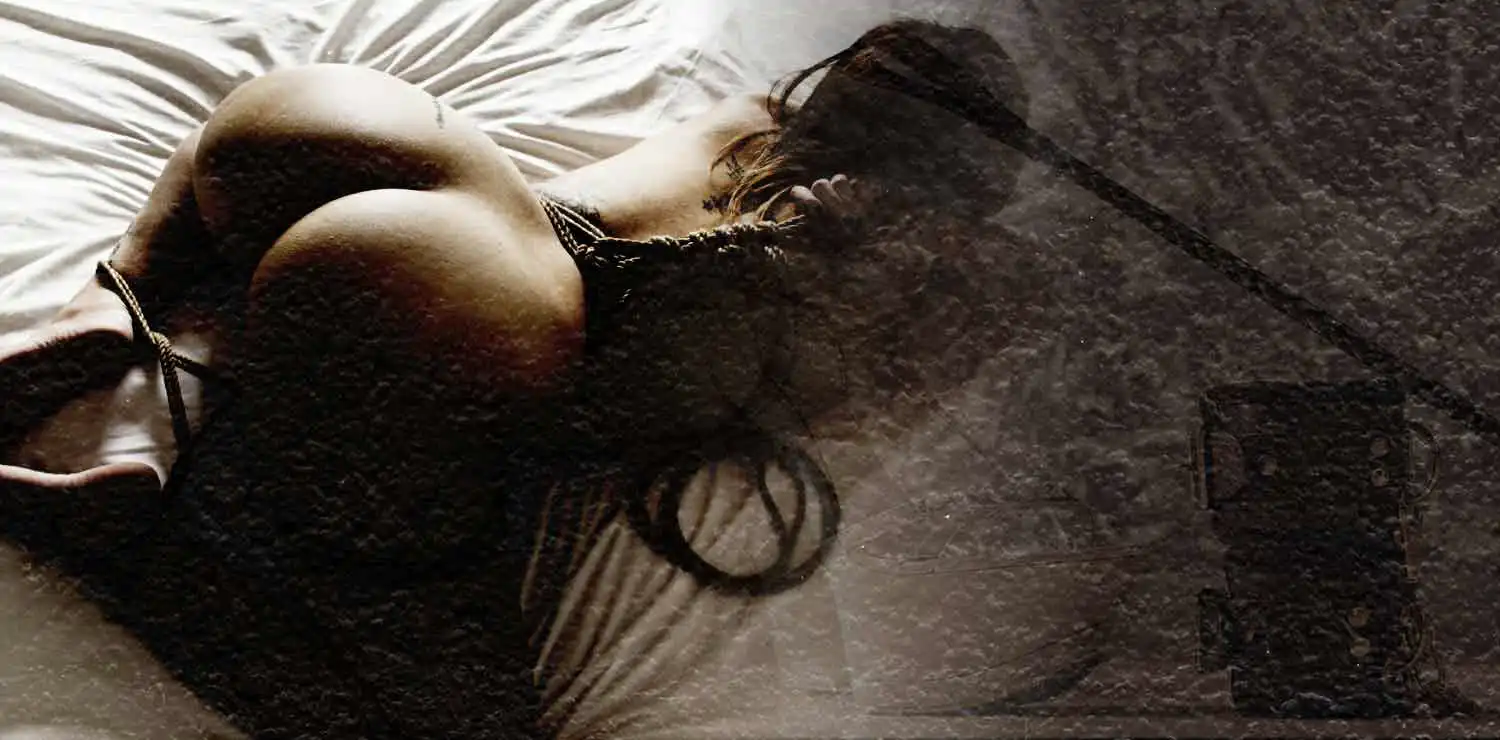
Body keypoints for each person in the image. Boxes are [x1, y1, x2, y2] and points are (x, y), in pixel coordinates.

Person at [0, 18, 1030, 740]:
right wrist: (840, 265)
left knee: (252, 152)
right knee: (416, 654)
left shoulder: (773, 137)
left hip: (420, 169)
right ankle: (153, 521)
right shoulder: (885, 239)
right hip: (488, 295)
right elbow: (816, 408)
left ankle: (121, 306)